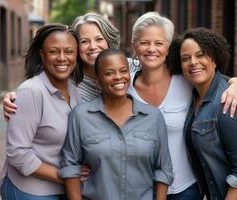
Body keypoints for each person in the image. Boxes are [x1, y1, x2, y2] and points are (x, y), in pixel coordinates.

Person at [1, 11, 237, 198]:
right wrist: (15, 97)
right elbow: (40, 92)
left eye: (99, 39)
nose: (93, 46)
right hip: (112, 185)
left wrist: (236, 85)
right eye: (84, 41)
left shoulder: (133, 68)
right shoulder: (73, 82)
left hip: (180, 183)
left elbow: (210, 79)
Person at [127, 12, 237, 200]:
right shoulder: (124, 87)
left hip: (185, 189)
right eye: (144, 42)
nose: (151, 49)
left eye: (159, 43)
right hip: (139, 189)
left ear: (168, 48)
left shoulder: (184, 80)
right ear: (134, 46)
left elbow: (216, 81)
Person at [60, 48, 173, 200]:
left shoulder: (153, 117)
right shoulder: (80, 116)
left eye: (123, 71)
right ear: (98, 81)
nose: (118, 77)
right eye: (109, 73)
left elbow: (163, 169)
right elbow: (70, 167)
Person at [168, 27, 237, 200]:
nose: (193, 62)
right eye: (186, 58)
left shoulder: (229, 103)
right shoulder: (193, 96)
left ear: (214, 59)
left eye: (200, 55)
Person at [0, 23, 83, 200]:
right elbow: (17, 153)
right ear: (42, 55)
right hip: (32, 189)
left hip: (65, 187)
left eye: (69, 51)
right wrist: (65, 176)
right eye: (54, 52)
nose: (62, 58)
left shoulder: (74, 90)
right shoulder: (31, 91)